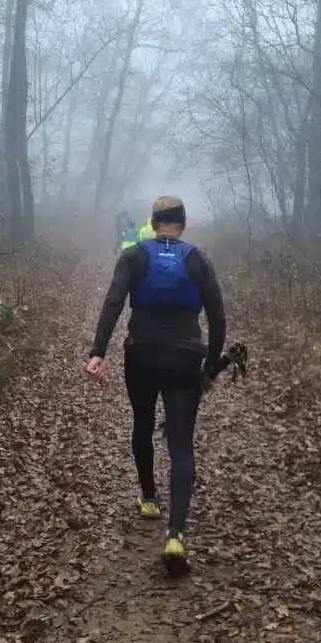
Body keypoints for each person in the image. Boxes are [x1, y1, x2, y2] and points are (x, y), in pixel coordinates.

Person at [84, 195, 226, 576]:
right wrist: (210, 366)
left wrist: (99, 352)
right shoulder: (197, 259)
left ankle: (148, 497)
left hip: (142, 355)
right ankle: (176, 534)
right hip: (184, 359)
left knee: (143, 423)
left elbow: (113, 302)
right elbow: (218, 315)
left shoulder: (134, 256)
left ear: (152, 221)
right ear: (183, 223)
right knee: (181, 444)